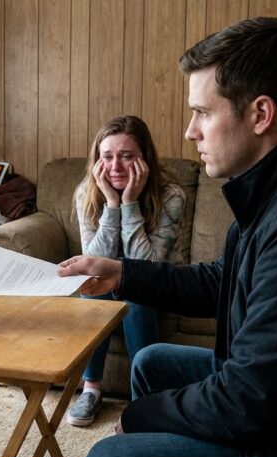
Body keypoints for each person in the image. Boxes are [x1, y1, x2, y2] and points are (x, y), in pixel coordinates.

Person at [59, 17, 277, 457]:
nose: (190, 131)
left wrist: (140, 415)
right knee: (151, 362)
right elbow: (223, 280)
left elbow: (249, 398)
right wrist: (122, 273)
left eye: (202, 112)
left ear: (260, 114)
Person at [66, 115, 186, 427]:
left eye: (127, 156)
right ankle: (91, 388)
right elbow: (93, 261)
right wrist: (111, 205)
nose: (115, 166)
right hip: (105, 287)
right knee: (91, 288)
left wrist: (130, 202)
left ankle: (143, 398)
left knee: (136, 295)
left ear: (144, 158)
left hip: (158, 287)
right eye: (107, 157)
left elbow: (148, 268)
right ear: (97, 161)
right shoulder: (86, 192)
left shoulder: (171, 195)